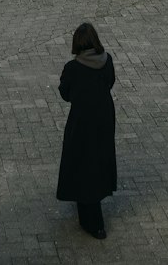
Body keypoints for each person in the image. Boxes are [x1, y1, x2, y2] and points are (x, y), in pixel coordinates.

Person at [57, 20, 117, 240]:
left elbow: (65, 93)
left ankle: (93, 221)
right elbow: (110, 82)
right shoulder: (107, 60)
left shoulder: (73, 68)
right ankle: (91, 205)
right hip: (104, 118)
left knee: (81, 163)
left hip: (82, 122)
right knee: (98, 160)